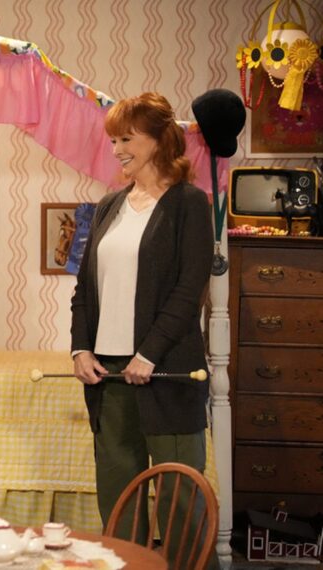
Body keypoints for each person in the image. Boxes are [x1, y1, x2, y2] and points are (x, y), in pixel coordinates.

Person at [70, 92, 216, 566]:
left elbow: (189, 290)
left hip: (167, 371)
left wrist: (148, 354)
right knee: (118, 499)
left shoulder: (190, 203)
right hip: (108, 375)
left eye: (127, 139)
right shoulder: (109, 205)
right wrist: (80, 350)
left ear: (158, 139)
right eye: (114, 141)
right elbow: (84, 290)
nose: (117, 150)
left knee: (179, 501)